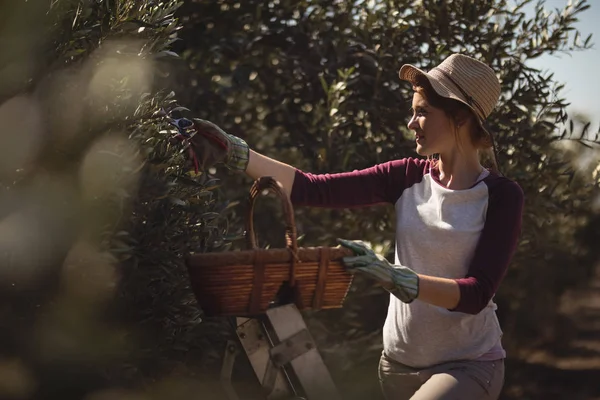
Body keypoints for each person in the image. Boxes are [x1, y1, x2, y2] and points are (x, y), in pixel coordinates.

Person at [169, 54, 524, 400]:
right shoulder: (405, 177)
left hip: (466, 366)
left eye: (422, 113)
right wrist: (234, 152)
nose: (411, 123)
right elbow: (312, 187)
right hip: (397, 366)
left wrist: (396, 277)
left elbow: (477, 294)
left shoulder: (500, 196)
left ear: (460, 118)